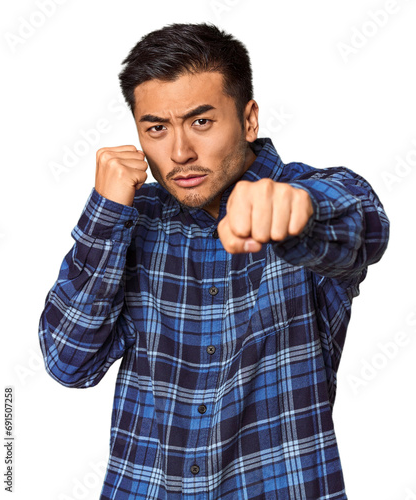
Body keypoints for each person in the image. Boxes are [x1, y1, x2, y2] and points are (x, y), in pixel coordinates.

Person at [38, 22, 390, 499]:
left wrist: (298, 213)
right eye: (157, 129)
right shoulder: (129, 220)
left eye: (201, 122)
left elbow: (361, 225)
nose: (180, 153)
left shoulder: (306, 193)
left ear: (248, 120)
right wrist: (104, 215)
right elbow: (68, 362)